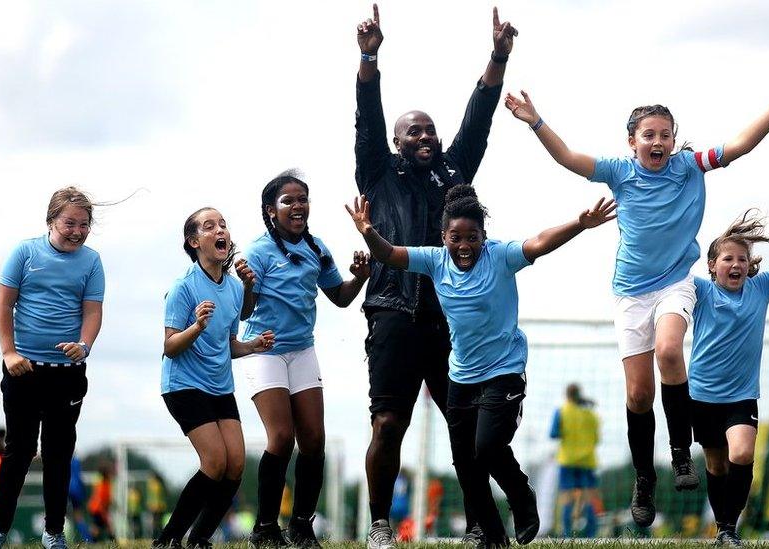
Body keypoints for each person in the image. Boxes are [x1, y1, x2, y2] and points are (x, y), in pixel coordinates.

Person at [503, 79, 769, 527]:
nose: (658, 141)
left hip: (675, 281)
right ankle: (644, 476)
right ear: (632, 143)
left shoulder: (689, 166)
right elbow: (569, 158)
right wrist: (536, 122)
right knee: (638, 393)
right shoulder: (619, 171)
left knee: (670, 351)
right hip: (630, 292)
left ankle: (680, 452)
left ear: (673, 139)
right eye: (648, 135)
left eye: (665, 134)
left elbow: (741, 146)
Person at [347, 185, 617, 547]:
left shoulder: (500, 256)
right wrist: (368, 231)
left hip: (504, 370)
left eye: (472, 238)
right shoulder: (434, 260)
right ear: (443, 237)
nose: (463, 246)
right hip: (461, 375)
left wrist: (580, 223)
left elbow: (539, 241)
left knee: (487, 447)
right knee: (466, 464)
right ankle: (493, 537)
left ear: (483, 237)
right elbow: (390, 254)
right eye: (455, 238)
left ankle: (522, 497)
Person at [354, 4, 518, 547]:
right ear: (397, 143)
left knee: (463, 426)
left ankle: (478, 524)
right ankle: (380, 523)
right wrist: (370, 56)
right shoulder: (377, 171)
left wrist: (497, 56)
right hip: (393, 312)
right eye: (412, 131)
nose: (424, 135)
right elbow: (368, 113)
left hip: (450, 319)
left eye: (429, 129)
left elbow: (481, 115)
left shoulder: (455, 171)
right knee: (388, 424)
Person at [238, 170, 369, 549]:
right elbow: (245, 313)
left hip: (302, 350)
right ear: (271, 210)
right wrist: (247, 285)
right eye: (288, 201)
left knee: (314, 440)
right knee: (281, 437)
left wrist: (358, 278)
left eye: (302, 199)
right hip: (265, 350)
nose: (297, 206)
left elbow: (340, 297)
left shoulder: (317, 248)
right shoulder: (259, 252)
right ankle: (264, 527)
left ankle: (301, 525)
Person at [153, 207, 276, 549]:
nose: (220, 229)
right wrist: (196, 327)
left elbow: (228, 344)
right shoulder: (183, 288)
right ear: (194, 242)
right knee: (215, 461)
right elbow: (170, 347)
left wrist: (252, 345)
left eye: (223, 224)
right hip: (183, 386)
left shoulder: (235, 289)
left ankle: (200, 539)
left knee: (235, 464)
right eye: (210, 226)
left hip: (220, 387)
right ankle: (168, 539)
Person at [0, 187, 105, 549]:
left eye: (84, 224)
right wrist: (9, 353)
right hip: (24, 369)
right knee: (20, 450)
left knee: (59, 453)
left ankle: (54, 532)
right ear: (51, 220)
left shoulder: (92, 261)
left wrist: (84, 345)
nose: (77, 231)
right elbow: (3, 305)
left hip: (67, 374)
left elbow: (92, 310)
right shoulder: (25, 253)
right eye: (69, 223)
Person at [688, 211, 769, 545]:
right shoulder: (700, 291)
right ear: (712, 265)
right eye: (728, 258)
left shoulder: (760, 288)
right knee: (715, 464)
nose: (736, 264)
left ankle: (729, 528)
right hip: (701, 396)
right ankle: (722, 529)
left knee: (740, 454)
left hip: (741, 396)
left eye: (742, 258)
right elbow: (670, 269)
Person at [549, 384, 601, 538]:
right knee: (590, 498)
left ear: (567, 395)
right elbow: (597, 438)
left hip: (567, 460)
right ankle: (591, 536)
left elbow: (553, 434)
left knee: (567, 498)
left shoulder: (561, 412)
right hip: (588, 461)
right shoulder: (591, 414)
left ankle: (566, 535)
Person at [88, 462, 115, 541]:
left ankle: (94, 541)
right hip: (98, 509)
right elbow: (101, 500)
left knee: (101, 525)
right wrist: (104, 511)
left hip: (96, 508)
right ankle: (112, 541)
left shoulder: (103, 483)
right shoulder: (103, 485)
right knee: (101, 526)